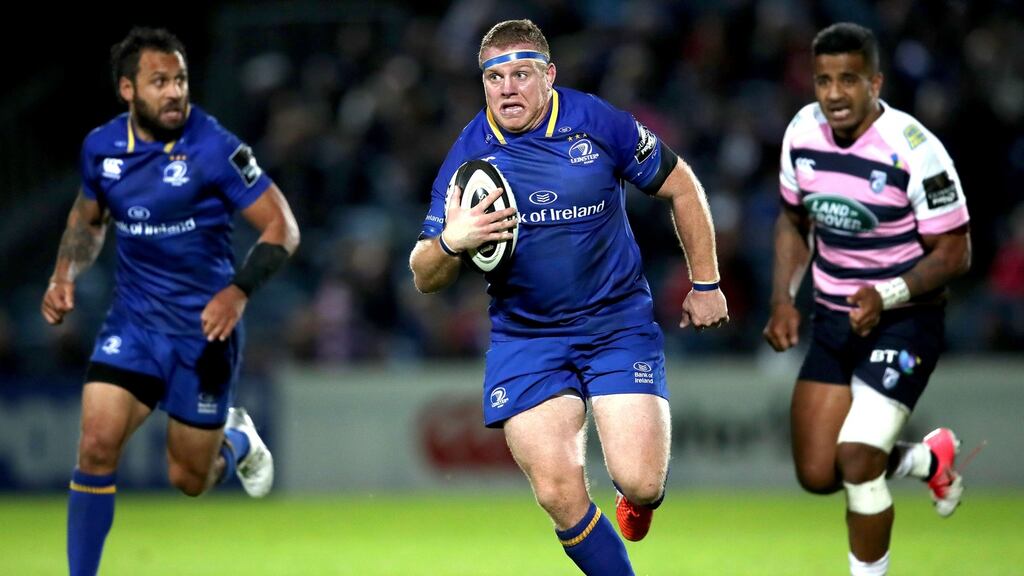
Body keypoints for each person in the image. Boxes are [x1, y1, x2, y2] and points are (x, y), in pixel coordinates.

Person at [409, 19, 728, 575]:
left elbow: (681, 184)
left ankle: (638, 500)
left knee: (642, 482)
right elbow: (422, 273)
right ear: (481, 83)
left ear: (549, 76)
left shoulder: (598, 123)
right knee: (558, 492)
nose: (508, 88)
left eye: (522, 74)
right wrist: (450, 242)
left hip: (616, 326)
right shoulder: (469, 161)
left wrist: (706, 282)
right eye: (495, 77)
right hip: (527, 336)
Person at [40, 27, 300, 576]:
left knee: (189, 481)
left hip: (204, 335)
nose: (176, 92)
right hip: (132, 327)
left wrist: (238, 290)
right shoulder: (102, 148)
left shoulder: (214, 147)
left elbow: (282, 227)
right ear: (128, 90)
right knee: (94, 447)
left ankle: (233, 438)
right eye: (160, 82)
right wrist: (65, 273)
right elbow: (87, 220)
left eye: (180, 79)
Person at [763, 22, 971, 576]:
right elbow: (791, 220)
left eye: (849, 79)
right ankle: (929, 459)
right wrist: (784, 298)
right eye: (824, 80)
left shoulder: (914, 149)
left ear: (875, 82)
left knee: (857, 459)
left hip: (905, 320)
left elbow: (955, 252)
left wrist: (888, 292)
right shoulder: (801, 133)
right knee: (817, 472)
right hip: (833, 315)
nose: (834, 93)